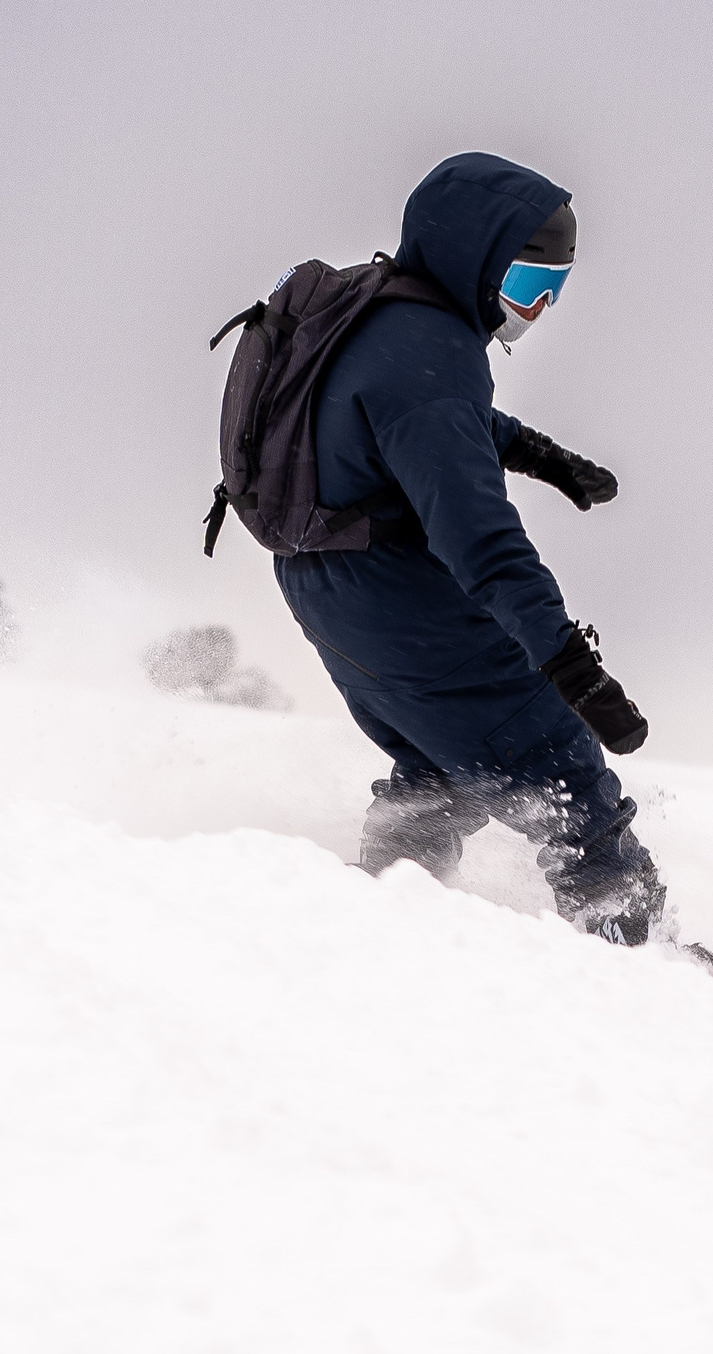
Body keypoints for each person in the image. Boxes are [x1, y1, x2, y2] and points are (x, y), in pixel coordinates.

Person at [273, 152, 669, 945]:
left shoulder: (376, 309)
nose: (535, 310)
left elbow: (411, 422)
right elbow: (480, 539)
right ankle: (641, 963)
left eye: (554, 293)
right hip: (397, 597)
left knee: (450, 761)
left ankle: (387, 910)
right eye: (527, 286)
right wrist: (570, 668)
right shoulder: (432, 353)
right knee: (560, 767)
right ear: (477, 260)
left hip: (325, 589)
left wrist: (542, 455)